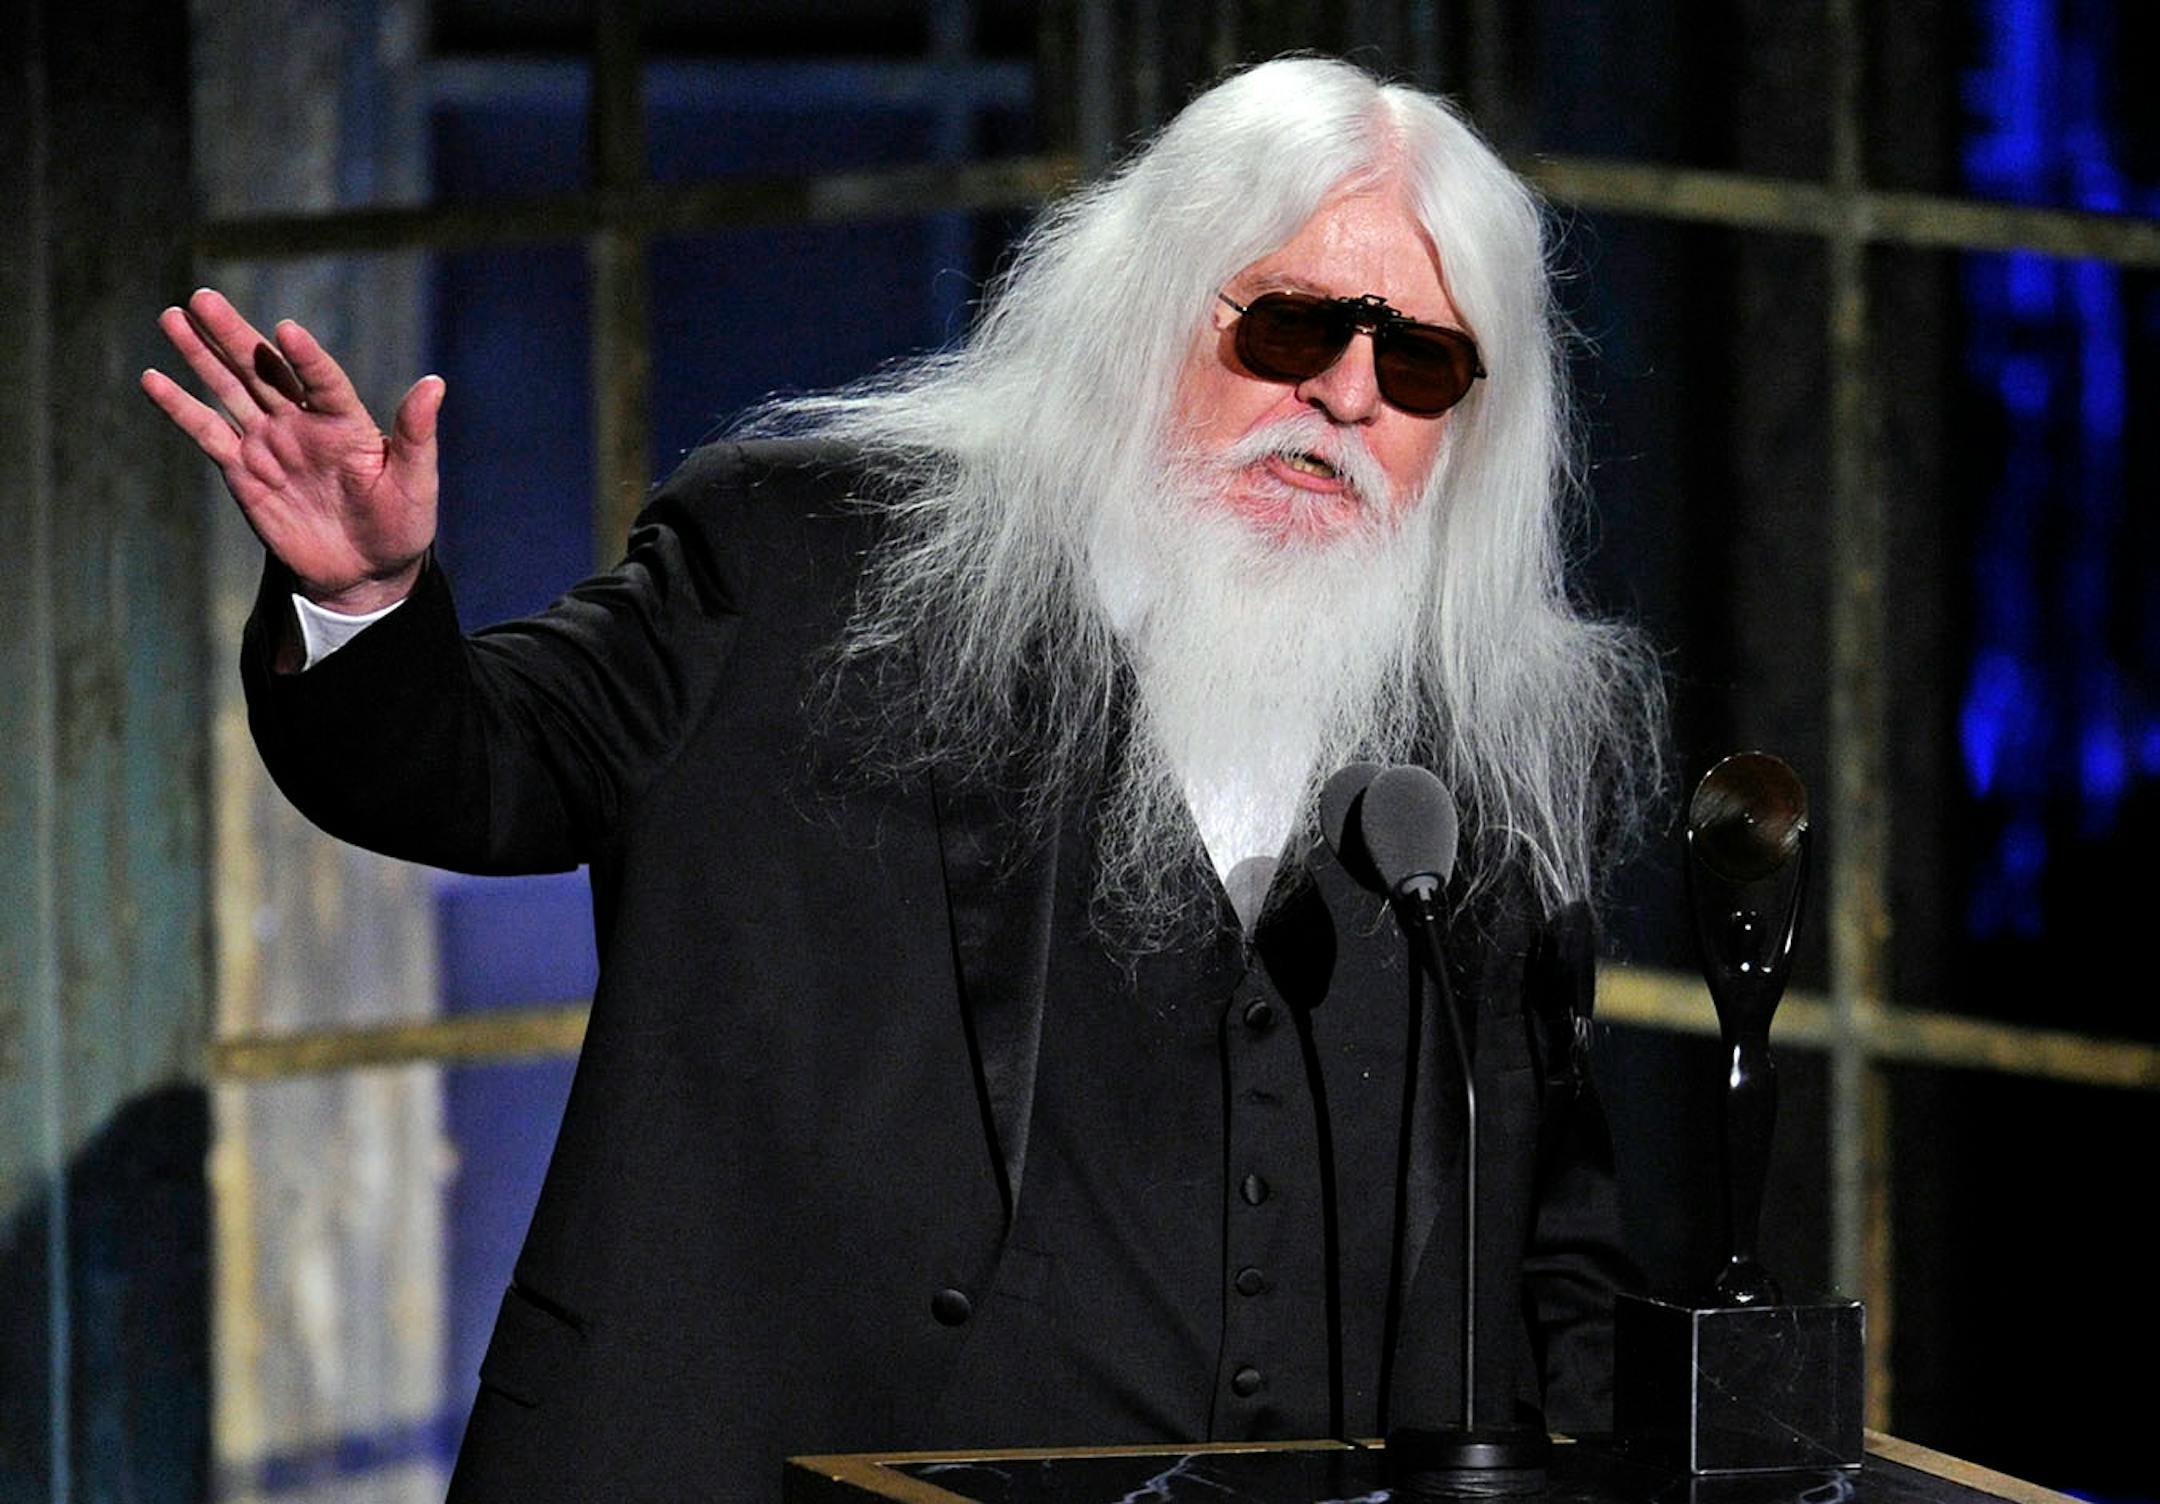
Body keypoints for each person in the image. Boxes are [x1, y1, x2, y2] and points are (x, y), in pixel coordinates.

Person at [146, 56, 1662, 1504]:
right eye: (1289, 330)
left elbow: (1548, 1253)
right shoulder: (808, 565)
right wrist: (364, 601)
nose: (1345, 396)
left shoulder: (1480, 767)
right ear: (1144, 317)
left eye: (1418, 362)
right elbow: (472, 768)